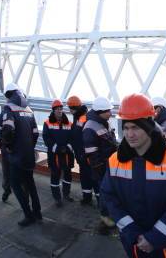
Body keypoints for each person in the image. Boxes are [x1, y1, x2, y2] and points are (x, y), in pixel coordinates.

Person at [102, 94, 166, 257]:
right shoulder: (114, 161)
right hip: (134, 245)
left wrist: (154, 238)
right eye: (126, 128)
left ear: (149, 127)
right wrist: (132, 232)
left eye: (136, 128)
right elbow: (110, 197)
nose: (130, 134)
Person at [0, 82, 42, 227]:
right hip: (29, 154)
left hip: (17, 156)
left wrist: (9, 147)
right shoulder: (29, 110)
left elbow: (8, 130)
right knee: (30, 183)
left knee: (15, 184)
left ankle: (28, 215)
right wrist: (29, 147)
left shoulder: (8, 109)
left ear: (8, 95)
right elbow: (36, 133)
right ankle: (38, 213)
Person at [83, 96, 118, 234]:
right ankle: (105, 219)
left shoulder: (104, 123)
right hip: (102, 167)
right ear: (100, 111)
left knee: (110, 191)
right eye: (108, 111)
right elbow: (91, 153)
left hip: (110, 164)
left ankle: (111, 214)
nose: (111, 113)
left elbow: (111, 140)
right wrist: (100, 169)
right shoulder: (90, 127)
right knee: (104, 192)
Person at [43, 99, 75, 207]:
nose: (59, 111)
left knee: (68, 176)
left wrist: (68, 147)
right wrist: (56, 148)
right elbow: (46, 138)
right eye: (57, 109)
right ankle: (57, 198)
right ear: (53, 110)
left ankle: (66, 194)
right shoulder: (47, 123)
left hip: (67, 154)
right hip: (54, 155)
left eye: (61, 108)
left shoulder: (69, 123)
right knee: (55, 176)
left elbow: (72, 138)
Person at [67, 95, 94, 205]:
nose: (70, 110)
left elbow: (85, 137)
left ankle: (100, 199)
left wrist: (83, 153)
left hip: (85, 154)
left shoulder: (83, 118)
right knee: (84, 175)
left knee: (91, 175)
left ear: (76, 107)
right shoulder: (77, 116)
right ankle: (87, 197)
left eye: (71, 108)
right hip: (81, 154)